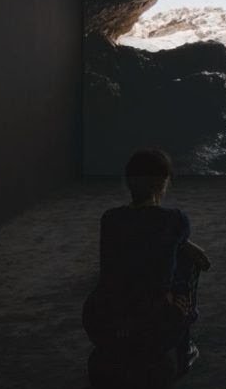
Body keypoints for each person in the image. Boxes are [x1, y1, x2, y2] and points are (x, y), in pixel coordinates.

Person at [83, 148, 210, 376]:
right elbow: (197, 256)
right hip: (154, 325)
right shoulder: (175, 220)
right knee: (186, 263)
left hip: (100, 321)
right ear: (162, 182)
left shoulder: (110, 218)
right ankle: (184, 348)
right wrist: (186, 246)